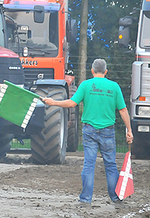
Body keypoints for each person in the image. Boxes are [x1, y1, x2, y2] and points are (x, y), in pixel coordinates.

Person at [41, 58, 134, 206]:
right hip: (108, 131)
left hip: (89, 130)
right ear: (106, 71)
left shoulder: (85, 85)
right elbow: (123, 110)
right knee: (110, 164)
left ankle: (85, 199)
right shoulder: (114, 87)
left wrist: (53, 102)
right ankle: (116, 198)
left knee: (89, 164)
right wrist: (129, 130)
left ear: (92, 71)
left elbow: (72, 103)